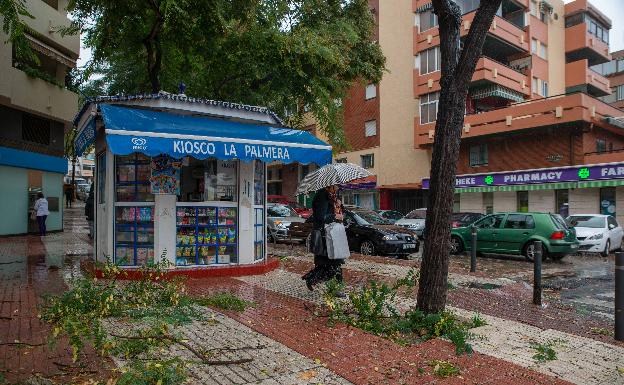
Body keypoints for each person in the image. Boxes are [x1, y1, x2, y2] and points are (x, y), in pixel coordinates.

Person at [302, 185, 345, 291]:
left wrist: (339, 206)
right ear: (330, 186)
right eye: (337, 186)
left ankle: (312, 279)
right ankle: (337, 289)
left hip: (332, 233)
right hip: (325, 235)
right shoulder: (322, 196)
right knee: (334, 264)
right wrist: (335, 216)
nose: (338, 188)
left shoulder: (330, 196)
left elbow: (334, 212)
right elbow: (321, 217)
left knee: (330, 264)